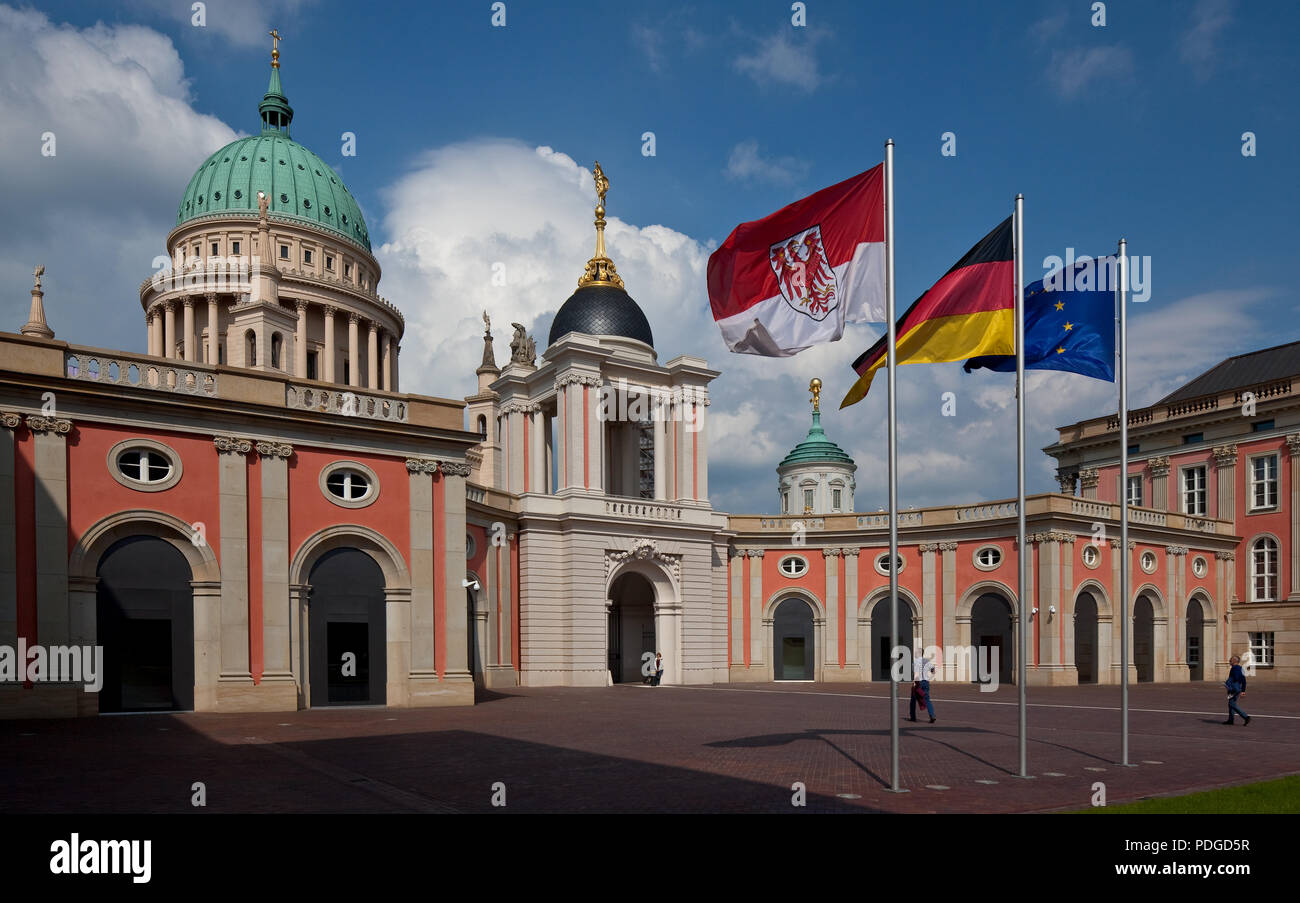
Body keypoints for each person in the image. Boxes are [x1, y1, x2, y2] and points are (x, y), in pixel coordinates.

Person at [1223, 654, 1250, 725]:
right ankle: (1230, 720)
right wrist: (1243, 690)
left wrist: (1229, 683)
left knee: (1232, 704)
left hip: (1234, 689)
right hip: (1238, 688)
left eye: (1230, 660)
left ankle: (1245, 717)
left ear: (1234, 661)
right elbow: (1244, 680)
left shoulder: (1235, 668)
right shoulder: (1240, 668)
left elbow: (1235, 678)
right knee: (1231, 704)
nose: (1229, 661)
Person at [909, 652, 936, 723]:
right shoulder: (927, 661)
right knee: (927, 699)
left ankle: (913, 717)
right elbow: (933, 670)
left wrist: (914, 682)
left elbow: (915, 673)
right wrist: (929, 676)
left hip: (918, 682)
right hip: (926, 682)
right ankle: (932, 715)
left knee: (913, 700)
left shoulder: (915, 662)